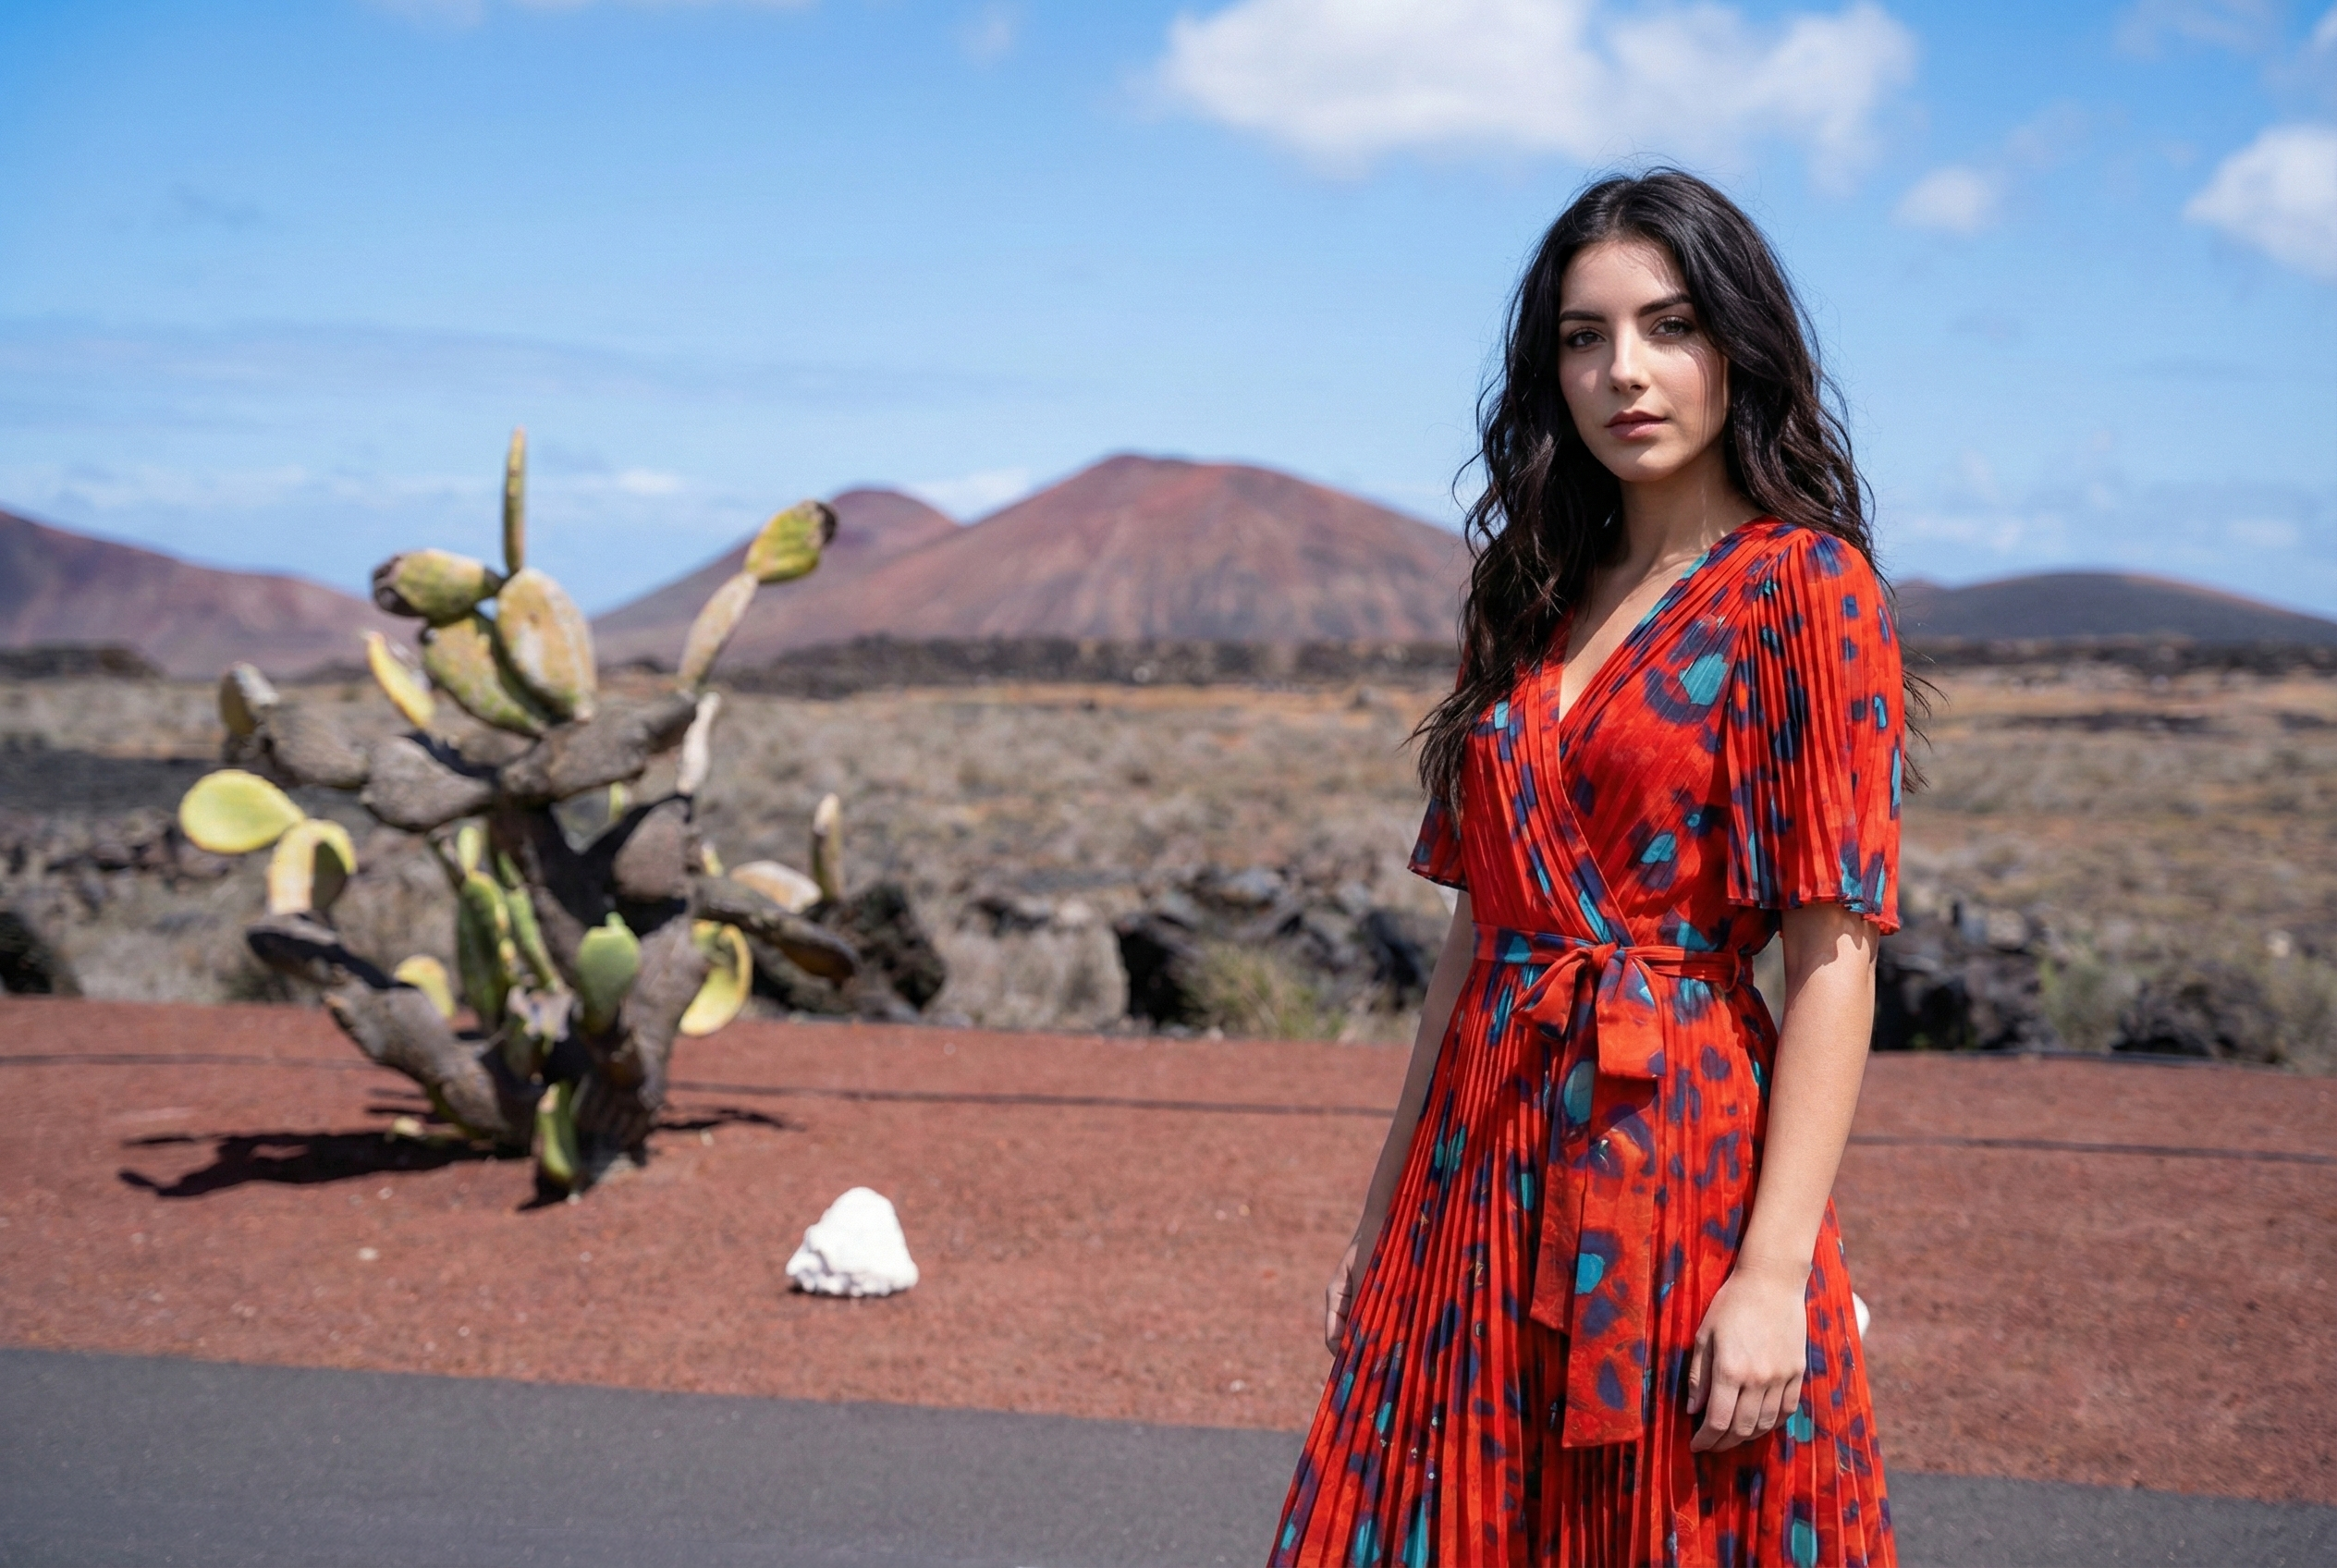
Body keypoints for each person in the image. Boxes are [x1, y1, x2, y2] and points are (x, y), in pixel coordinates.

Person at [1270, 170, 1907, 1568]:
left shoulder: (1807, 589)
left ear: (1738, 344)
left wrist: (1775, 1275)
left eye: (1666, 325)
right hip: (1477, 1159)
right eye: (1582, 335)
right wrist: (1383, 1219)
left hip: (1673, 1155)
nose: (1623, 371)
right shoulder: (1525, 593)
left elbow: (1834, 962)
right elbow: (1475, 942)